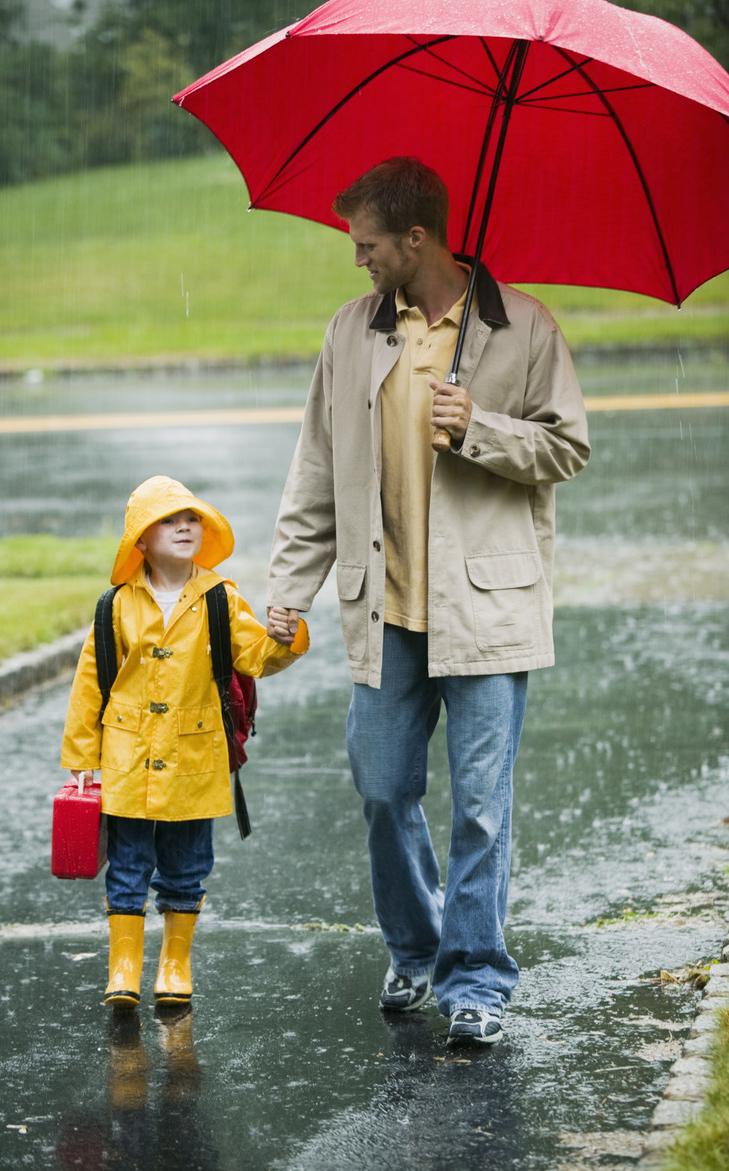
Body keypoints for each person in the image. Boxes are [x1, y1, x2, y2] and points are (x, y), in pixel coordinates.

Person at [266, 157, 590, 1045]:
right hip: (385, 610)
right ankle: (417, 947)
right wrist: (284, 597)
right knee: (381, 785)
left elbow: (568, 448)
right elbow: (317, 474)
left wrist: (476, 427)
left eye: (368, 244)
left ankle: (477, 977)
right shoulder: (349, 331)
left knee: (482, 805)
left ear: (417, 238)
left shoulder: (524, 326)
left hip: (488, 611)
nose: (357, 259)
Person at [62, 475, 308, 1009]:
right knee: (127, 864)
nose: (183, 527)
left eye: (191, 518)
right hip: (126, 757)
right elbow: (90, 685)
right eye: (167, 521)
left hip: (195, 758)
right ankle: (123, 966)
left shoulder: (221, 600)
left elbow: (257, 658)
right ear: (141, 542)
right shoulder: (116, 606)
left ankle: (175, 963)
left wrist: (285, 637)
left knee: (188, 865)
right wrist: (81, 759)